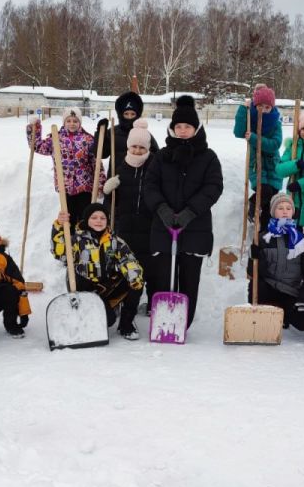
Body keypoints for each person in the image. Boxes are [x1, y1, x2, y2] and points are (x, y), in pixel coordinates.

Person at [143, 95, 223, 330]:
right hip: (164, 225)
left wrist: (190, 211)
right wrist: (162, 209)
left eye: (187, 126)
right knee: (163, 276)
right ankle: (163, 322)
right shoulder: (161, 156)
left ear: (196, 128)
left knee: (189, 278)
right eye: (178, 126)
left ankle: (182, 323)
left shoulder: (208, 158)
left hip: (194, 227)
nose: (182, 130)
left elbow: (213, 187)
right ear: (172, 128)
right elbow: (150, 185)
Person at [52, 203, 146, 339]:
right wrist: (59, 226)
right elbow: (59, 253)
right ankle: (90, 312)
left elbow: (128, 260)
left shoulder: (114, 241)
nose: (98, 221)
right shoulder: (76, 240)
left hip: (105, 286)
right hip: (84, 287)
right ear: (86, 220)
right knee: (108, 320)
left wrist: (134, 277)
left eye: (102, 218)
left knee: (136, 282)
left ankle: (126, 324)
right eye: (94, 217)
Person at [101, 118, 156, 315]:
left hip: (147, 226)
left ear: (148, 147)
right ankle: (122, 301)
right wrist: (108, 190)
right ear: (128, 146)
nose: (138, 150)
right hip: (124, 226)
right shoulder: (120, 166)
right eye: (134, 146)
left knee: (149, 269)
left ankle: (151, 304)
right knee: (123, 266)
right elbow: (111, 202)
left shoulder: (153, 166)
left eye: (142, 147)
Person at [248, 193, 304, 332]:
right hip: (269, 289)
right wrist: (254, 257)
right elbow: (253, 273)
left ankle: (283, 314)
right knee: (259, 286)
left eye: (288, 208)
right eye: (280, 208)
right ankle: (271, 311)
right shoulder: (263, 238)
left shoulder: (303, 240)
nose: (285, 211)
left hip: (292, 292)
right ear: (273, 212)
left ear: (293, 212)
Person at [26, 107, 105, 221]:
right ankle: (70, 236)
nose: (72, 124)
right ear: (64, 122)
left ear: (80, 122)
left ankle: (84, 237)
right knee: (69, 217)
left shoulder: (88, 139)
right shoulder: (56, 138)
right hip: (65, 187)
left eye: (75, 121)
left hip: (85, 187)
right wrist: (35, 128)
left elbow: (96, 164)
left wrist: (100, 184)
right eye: (68, 121)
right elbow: (37, 146)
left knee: (85, 216)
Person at [233, 84, 283, 227]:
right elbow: (238, 132)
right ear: (255, 105)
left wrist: (254, 138)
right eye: (260, 106)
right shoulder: (250, 118)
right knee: (264, 190)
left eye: (267, 107)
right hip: (256, 165)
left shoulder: (275, 123)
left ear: (272, 107)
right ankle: (253, 203)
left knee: (272, 197)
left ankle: (263, 231)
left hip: (273, 165)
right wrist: (243, 109)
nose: (264, 110)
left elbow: (274, 144)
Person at [276, 108, 304, 231]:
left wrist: (301, 185)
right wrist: (297, 164)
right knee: (293, 234)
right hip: (293, 199)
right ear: (299, 129)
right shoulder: (292, 147)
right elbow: (279, 170)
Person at [95, 90, 159, 172]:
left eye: (132, 114)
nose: (129, 117)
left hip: (138, 179)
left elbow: (156, 157)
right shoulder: (113, 132)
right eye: (126, 114)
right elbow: (101, 154)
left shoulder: (144, 134)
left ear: (138, 115)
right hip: (115, 179)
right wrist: (101, 134)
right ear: (121, 114)